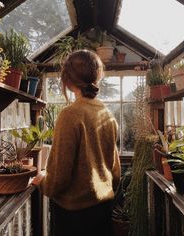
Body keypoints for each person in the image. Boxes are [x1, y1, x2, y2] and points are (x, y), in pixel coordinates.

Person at [33, 49, 121, 236]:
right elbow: (115, 171)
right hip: (103, 211)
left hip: (75, 218)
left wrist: (42, 181)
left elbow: (58, 178)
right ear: (97, 77)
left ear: (67, 79)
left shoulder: (70, 115)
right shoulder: (107, 114)